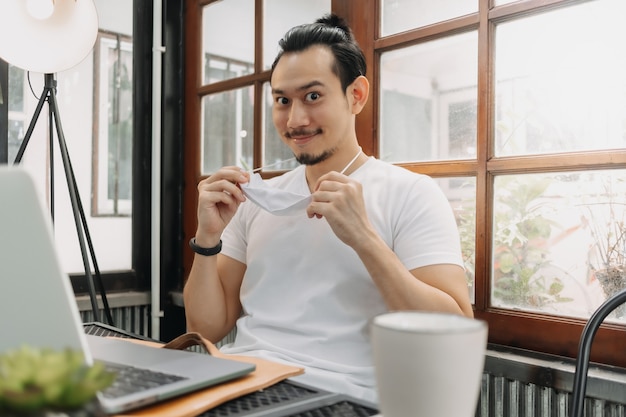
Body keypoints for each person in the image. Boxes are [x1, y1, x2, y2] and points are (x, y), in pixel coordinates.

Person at [183, 13, 473, 403]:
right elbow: (206, 327)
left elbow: (453, 336)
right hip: (243, 384)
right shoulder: (257, 199)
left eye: (313, 96)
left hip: (343, 398)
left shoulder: (412, 193)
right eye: (283, 101)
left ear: (356, 95)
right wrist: (208, 237)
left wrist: (364, 239)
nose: (295, 119)